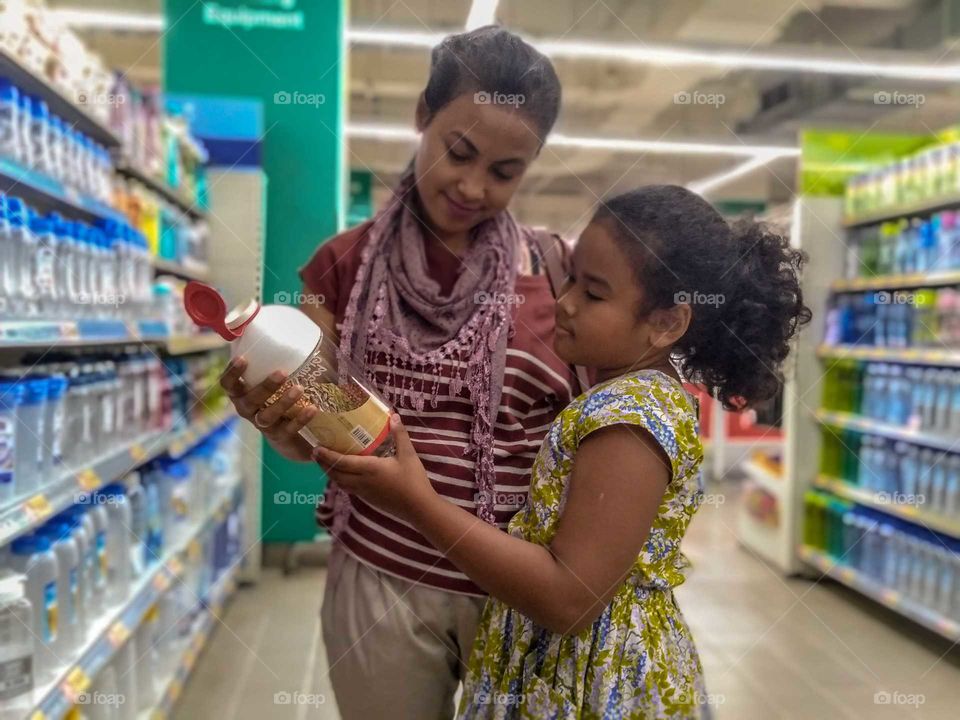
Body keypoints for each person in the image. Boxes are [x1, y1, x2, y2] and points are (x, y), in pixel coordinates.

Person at [314, 185, 813, 718]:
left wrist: (417, 502)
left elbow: (568, 598)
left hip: (591, 681)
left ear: (667, 322)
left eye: (594, 294)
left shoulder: (630, 420)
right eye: (571, 276)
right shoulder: (622, 395)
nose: (565, 302)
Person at [218, 26, 587, 720]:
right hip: (378, 581)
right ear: (423, 115)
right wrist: (276, 420)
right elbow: (311, 437)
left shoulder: (556, 272)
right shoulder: (342, 266)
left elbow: (588, 435)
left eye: (506, 171)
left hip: (514, 588)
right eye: (459, 151)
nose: (474, 187)